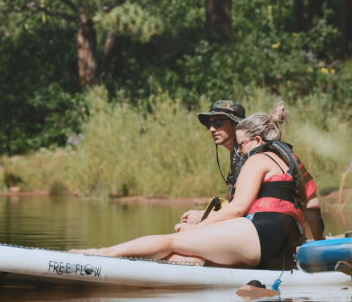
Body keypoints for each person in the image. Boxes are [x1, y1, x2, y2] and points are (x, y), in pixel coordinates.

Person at [71, 104, 307, 270]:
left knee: (172, 242)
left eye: (242, 144)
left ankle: (100, 255)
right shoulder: (287, 160)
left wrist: (199, 228)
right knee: (181, 256)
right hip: (281, 240)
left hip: (264, 233)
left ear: (257, 141)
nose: (240, 150)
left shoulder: (257, 159)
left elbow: (237, 208)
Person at [181, 100, 324, 240]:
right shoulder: (239, 154)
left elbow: (240, 207)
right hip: (285, 218)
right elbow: (233, 198)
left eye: (218, 123)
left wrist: (203, 218)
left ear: (236, 124)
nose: (212, 129)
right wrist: (205, 214)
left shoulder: (253, 154)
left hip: (306, 220)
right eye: (209, 124)